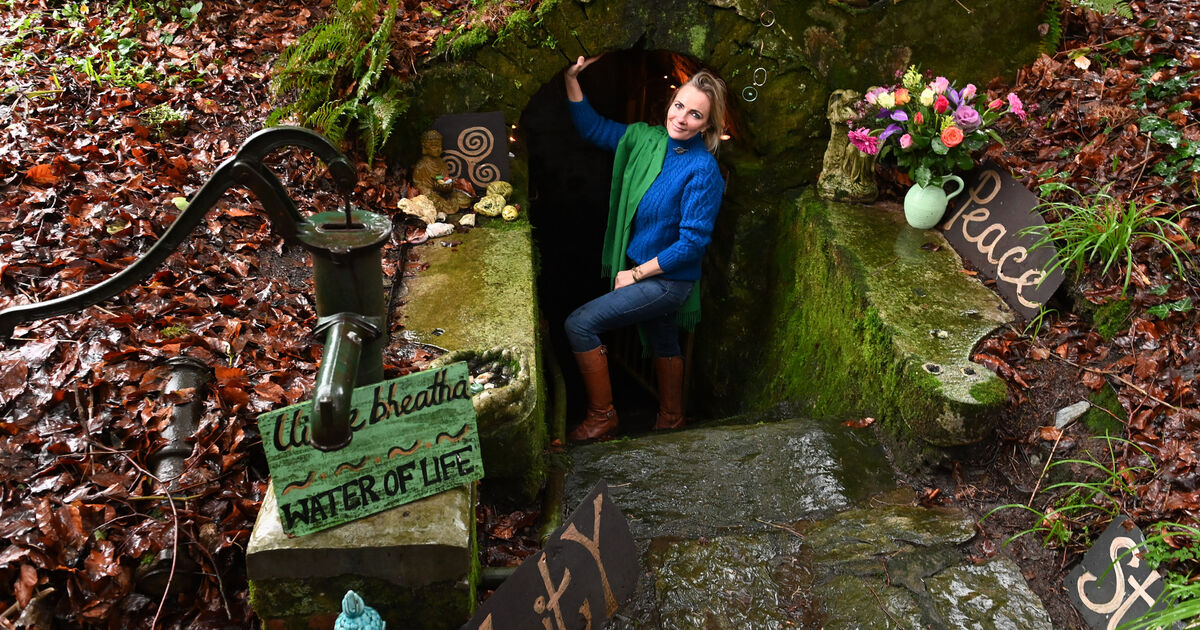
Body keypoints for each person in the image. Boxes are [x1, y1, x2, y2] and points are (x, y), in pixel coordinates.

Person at [562, 55, 727, 442]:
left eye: (696, 115)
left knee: (579, 324)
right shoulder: (647, 140)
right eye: (679, 106)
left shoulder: (703, 171)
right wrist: (571, 79)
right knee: (663, 338)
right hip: (645, 268)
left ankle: (603, 416)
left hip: (668, 280)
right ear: (670, 104)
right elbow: (594, 129)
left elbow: (691, 245)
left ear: (710, 125)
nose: (682, 118)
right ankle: (672, 419)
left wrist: (635, 274)